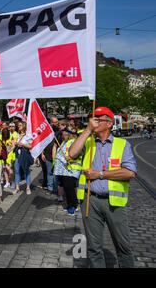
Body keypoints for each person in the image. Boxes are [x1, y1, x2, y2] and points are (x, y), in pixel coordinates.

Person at [69, 107, 137, 268]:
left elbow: (130, 172)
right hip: (89, 201)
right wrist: (87, 130)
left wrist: (100, 174)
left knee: (123, 246)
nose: (94, 121)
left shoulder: (122, 144)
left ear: (109, 123)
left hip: (113, 203)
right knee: (93, 248)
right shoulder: (87, 141)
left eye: (99, 118)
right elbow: (71, 154)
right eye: (93, 118)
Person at [52, 127, 82, 215]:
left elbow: (75, 154)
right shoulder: (65, 142)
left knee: (70, 189)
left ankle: (73, 206)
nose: (62, 134)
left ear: (68, 134)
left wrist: (69, 157)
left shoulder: (73, 142)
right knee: (67, 188)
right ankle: (69, 204)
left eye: (64, 132)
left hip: (71, 170)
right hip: (64, 170)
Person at [39, 116, 59, 194]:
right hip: (47, 155)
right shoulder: (46, 131)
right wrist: (42, 153)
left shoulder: (59, 131)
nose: (57, 123)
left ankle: (57, 188)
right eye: (55, 122)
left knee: (56, 173)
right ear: (51, 123)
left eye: (57, 122)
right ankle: (50, 188)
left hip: (57, 155)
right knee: (49, 172)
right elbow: (42, 143)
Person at [12, 121, 33, 195]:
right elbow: (15, 144)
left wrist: (23, 144)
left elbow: (31, 146)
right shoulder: (17, 135)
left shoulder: (28, 135)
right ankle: (17, 187)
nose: (18, 126)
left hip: (24, 155)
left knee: (26, 171)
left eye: (20, 125)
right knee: (17, 171)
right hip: (17, 155)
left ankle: (28, 187)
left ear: (24, 126)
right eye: (18, 125)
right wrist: (15, 144)